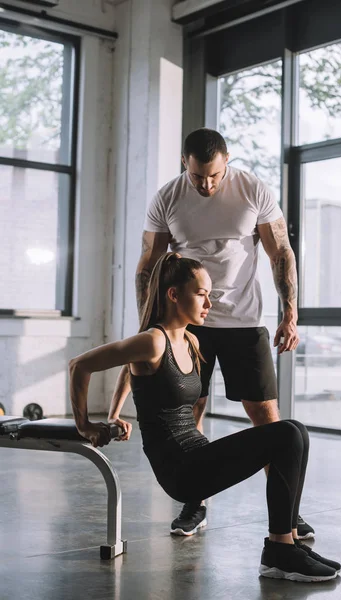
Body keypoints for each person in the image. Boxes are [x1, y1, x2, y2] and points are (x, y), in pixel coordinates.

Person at [69, 253, 341, 582]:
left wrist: (114, 414)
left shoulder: (190, 340)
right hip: (180, 469)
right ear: (173, 294)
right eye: (201, 294)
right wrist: (86, 424)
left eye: (210, 294)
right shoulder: (153, 341)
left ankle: (289, 544)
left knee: (295, 430)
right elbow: (80, 366)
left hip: (198, 455)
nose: (209, 303)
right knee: (285, 434)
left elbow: (131, 370)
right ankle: (279, 552)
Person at [113, 127, 314, 539]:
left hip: (244, 321)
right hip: (190, 324)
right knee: (190, 411)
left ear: (227, 163)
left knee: (266, 417)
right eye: (197, 176)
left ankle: (288, 513)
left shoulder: (252, 189)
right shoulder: (168, 198)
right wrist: (151, 323)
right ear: (184, 164)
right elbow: (148, 264)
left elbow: (280, 252)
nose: (206, 184)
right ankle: (195, 503)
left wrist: (290, 312)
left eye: (214, 176)